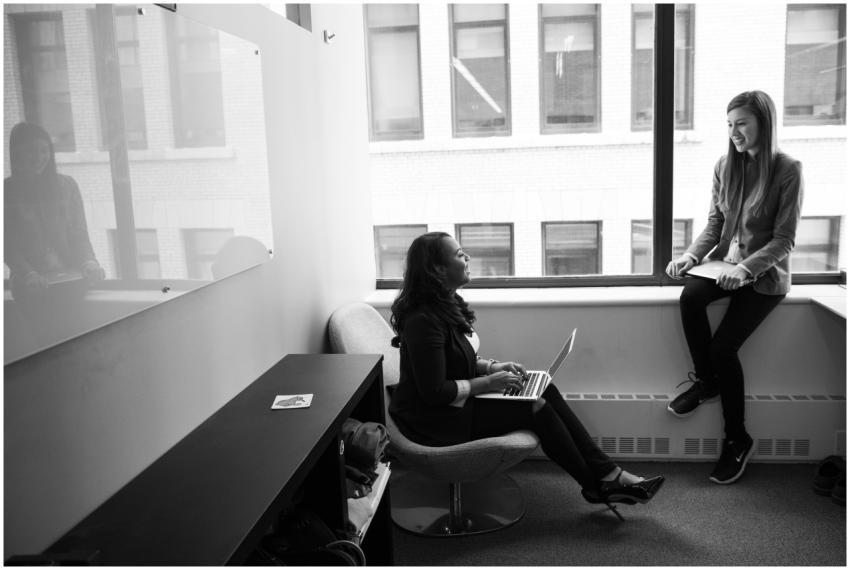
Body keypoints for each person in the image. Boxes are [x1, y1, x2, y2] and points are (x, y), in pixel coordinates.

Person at [388, 231, 664, 510]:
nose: (467, 257)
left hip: (454, 405)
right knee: (537, 407)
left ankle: (608, 475)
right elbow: (434, 392)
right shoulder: (423, 320)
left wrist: (492, 366)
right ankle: (598, 485)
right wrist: (488, 383)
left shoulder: (445, 304)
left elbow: (456, 357)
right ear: (437, 269)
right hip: (434, 420)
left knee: (544, 387)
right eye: (459, 254)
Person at [665, 90, 803, 485]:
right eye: (730, 124)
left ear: (763, 123)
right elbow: (715, 223)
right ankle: (706, 381)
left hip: (764, 278)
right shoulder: (725, 165)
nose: (735, 132)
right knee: (690, 295)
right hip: (723, 266)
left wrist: (745, 270)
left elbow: (784, 239)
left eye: (742, 123)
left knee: (725, 348)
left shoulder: (788, 169)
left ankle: (737, 439)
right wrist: (691, 256)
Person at [4, 122, 105, 301]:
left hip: (72, 281)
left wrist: (89, 262)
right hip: (31, 287)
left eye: (44, 151)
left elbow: (79, 233)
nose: (39, 157)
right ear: (16, 153)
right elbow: (8, 246)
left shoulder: (67, 186)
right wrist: (29, 274)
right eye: (30, 151)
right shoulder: (7, 191)